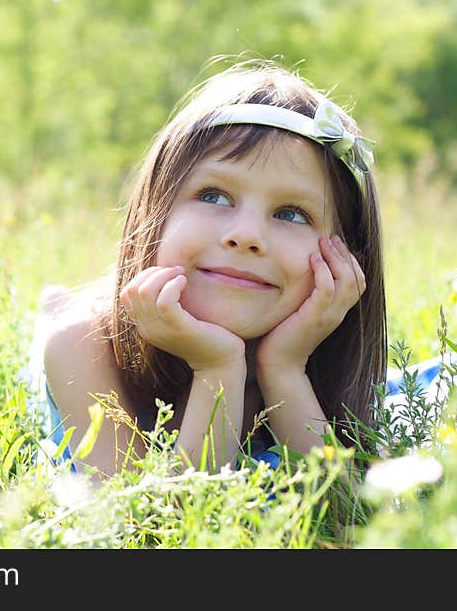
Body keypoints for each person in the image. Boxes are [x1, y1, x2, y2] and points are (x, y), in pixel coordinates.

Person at [33, 58, 387, 478]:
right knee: (60, 311)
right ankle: (52, 301)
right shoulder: (82, 344)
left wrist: (285, 369)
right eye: (214, 196)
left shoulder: (329, 361)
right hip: (92, 330)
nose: (246, 235)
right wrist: (218, 369)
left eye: (291, 214)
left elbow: (350, 528)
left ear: (347, 258)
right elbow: (151, 535)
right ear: (155, 212)